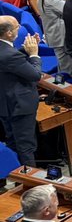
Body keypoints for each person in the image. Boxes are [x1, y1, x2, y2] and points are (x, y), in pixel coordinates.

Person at [0, 17, 43, 167]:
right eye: (17, 27)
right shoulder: (10, 55)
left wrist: (24, 50)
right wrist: (34, 55)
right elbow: (36, 75)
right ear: (9, 33)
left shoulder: (6, 50)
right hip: (19, 106)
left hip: (5, 105)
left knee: (13, 142)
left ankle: (17, 175)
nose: (20, 28)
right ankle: (32, 183)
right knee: (26, 146)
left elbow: (8, 61)